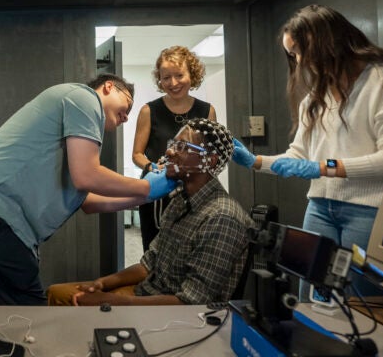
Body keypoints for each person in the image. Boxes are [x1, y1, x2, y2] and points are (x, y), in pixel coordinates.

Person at [231, 4, 383, 297]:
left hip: (370, 212)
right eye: (292, 56)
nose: (298, 63)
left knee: (362, 302)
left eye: (298, 52)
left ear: (326, 42)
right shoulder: (315, 99)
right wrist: (255, 161)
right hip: (320, 208)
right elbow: (299, 157)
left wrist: (325, 168)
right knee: (312, 299)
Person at [0, 73, 179, 305]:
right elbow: (87, 176)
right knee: (27, 318)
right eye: (127, 105)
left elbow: (89, 202)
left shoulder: (72, 125)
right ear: (109, 87)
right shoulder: (84, 98)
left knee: (7, 315)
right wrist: (144, 186)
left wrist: (145, 196)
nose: (126, 117)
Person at [48, 118, 254, 306]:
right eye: (172, 145)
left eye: (181, 147)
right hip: (146, 293)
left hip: (176, 315)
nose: (169, 153)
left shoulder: (221, 218)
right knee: (56, 292)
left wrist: (111, 302)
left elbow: (191, 302)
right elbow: (149, 264)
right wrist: (103, 283)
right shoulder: (179, 200)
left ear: (210, 161)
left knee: (69, 301)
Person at [132, 46, 217, 252]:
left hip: (192, 193)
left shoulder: (207, 111)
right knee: (153, 252)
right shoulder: (148, 110)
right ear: (159, 80)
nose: (173, 83)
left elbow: (211, 155)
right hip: (156, 193)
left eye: (179, 75)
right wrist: (153, 168)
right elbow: (137, 154)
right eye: (166, 77)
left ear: (192, 75)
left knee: (190, 250)